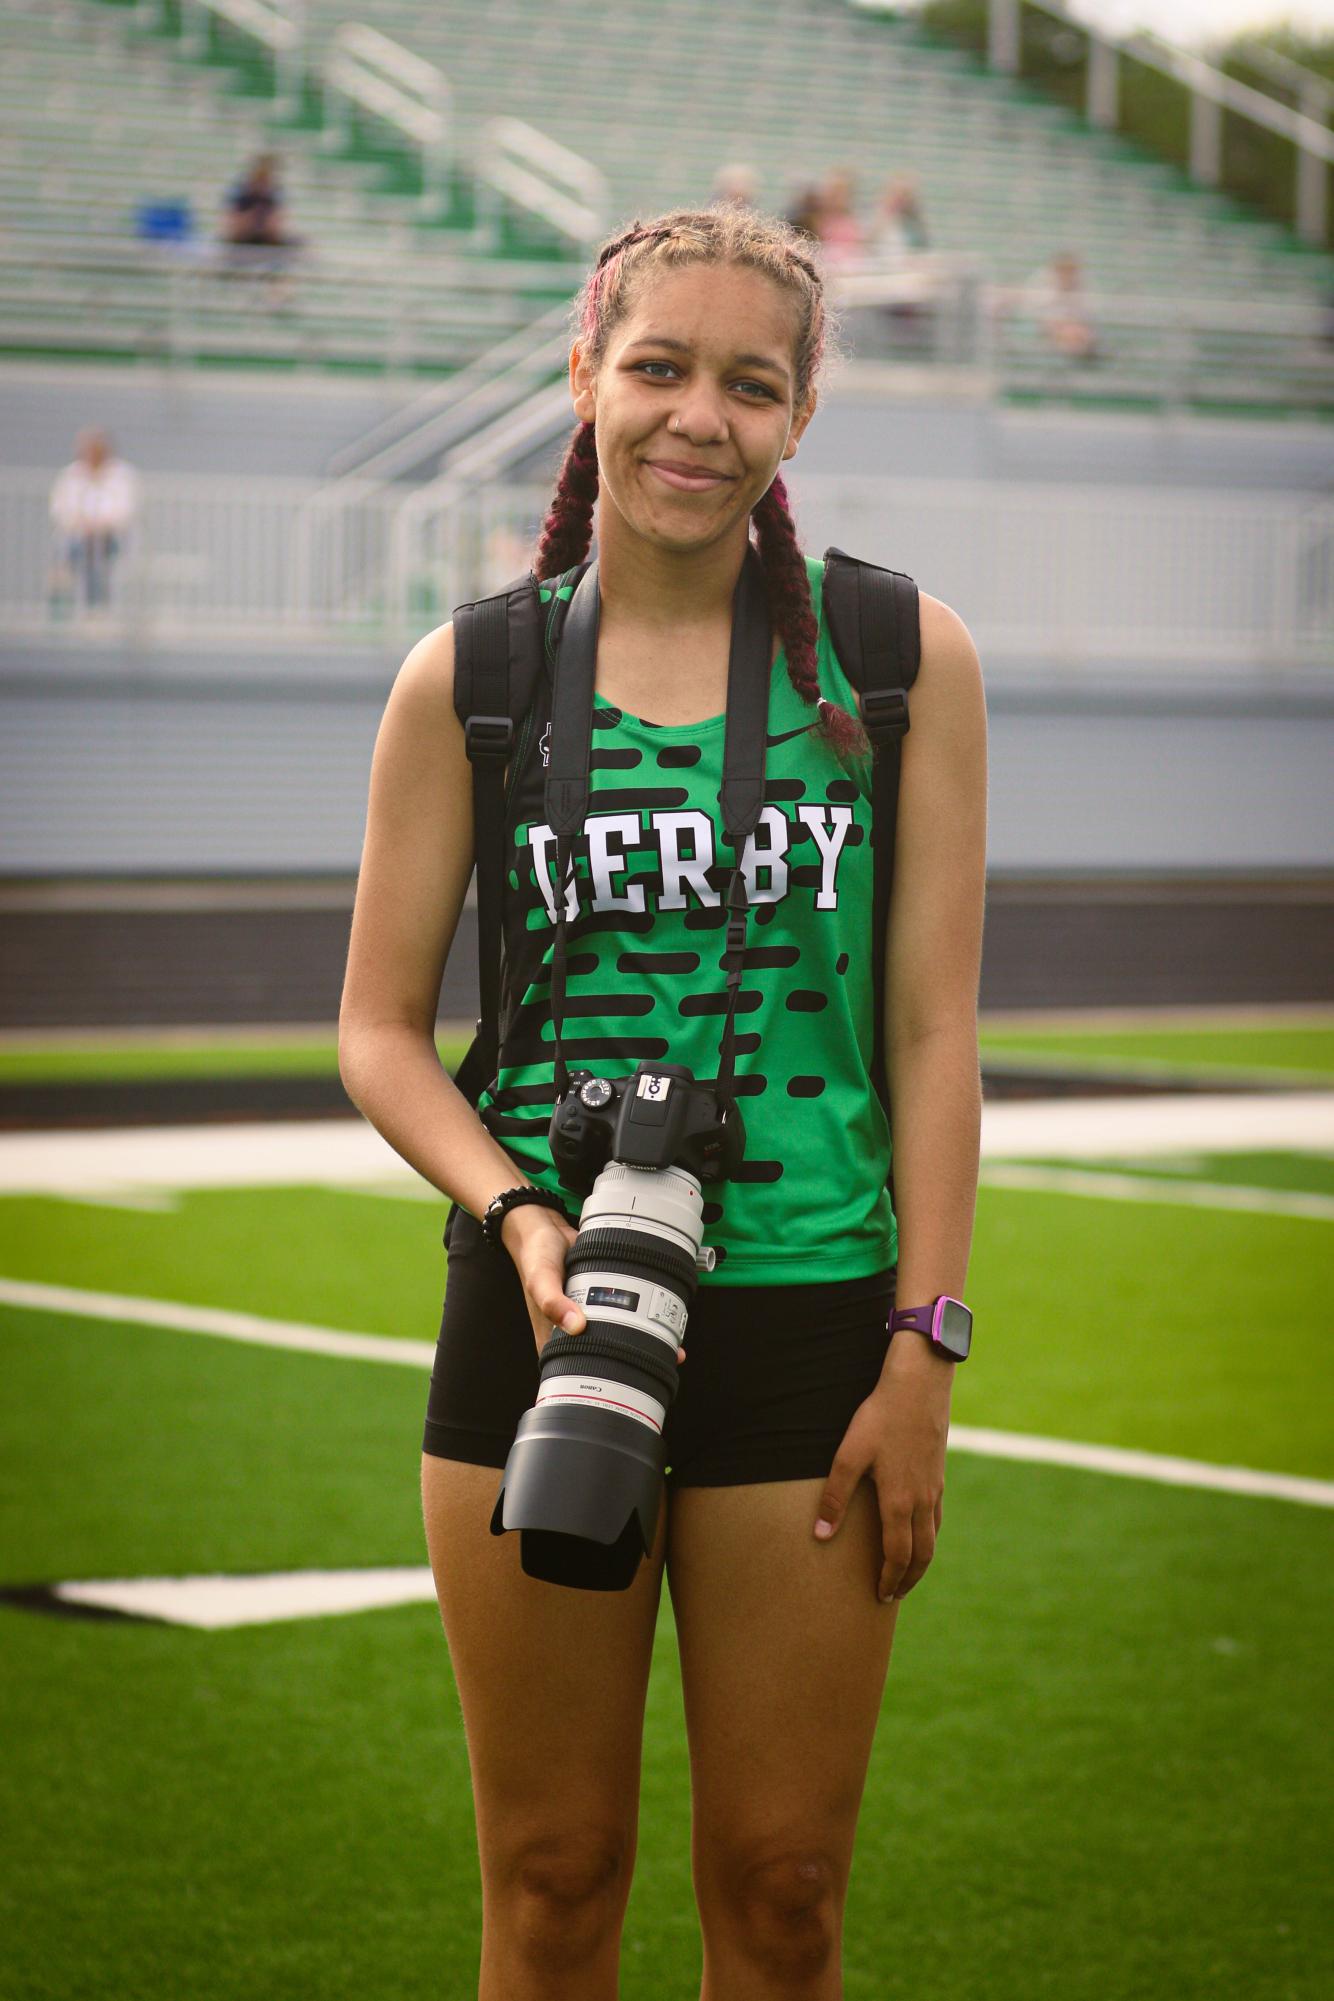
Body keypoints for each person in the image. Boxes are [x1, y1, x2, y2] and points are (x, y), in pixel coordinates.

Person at [339, 204, 987, 1999]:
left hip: (810, 1317)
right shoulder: (469, 675)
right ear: (582, 378)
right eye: (657, 368)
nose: (698, 416)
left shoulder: (895, 658)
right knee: (552, 1876)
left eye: (748, 384)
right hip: (541, 1313)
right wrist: (515, 1209)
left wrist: (921, 1346)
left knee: (781, 1892)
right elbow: (379, 1031)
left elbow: (934, 1033)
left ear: (796, 420)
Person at [48, 428, 139, 611]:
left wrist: (100, 526)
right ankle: (67, 609)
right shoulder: (71, 475)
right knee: (74, 552)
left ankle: (97, 606)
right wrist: (81, 524)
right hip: (76, 538)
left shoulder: (121, 475)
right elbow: (59, 509)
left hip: (111, 539)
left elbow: (126, 511)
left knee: (97, 552)